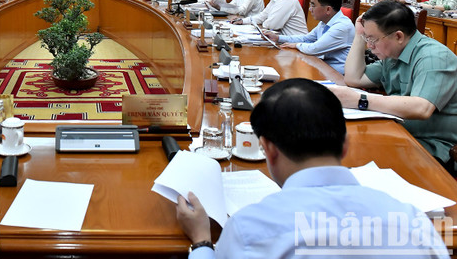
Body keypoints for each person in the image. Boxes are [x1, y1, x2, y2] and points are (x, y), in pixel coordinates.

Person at [176, 78, 448, 258]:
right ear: (345, 145)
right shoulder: (414, 221)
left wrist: (201, 241)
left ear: (268, 150)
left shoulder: (250, 228)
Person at [328, 0, 457, 164]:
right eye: (367, 39)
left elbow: (421, 107)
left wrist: (360, 100)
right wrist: (359, 36)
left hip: (433, 146)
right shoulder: (393, 54)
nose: (369, 46)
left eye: (373, 39)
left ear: (398, 36)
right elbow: (354, 78)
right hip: (399, 132)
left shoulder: (433, 57)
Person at [265, 0, 355, 74]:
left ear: (328, 9)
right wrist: (278, 38)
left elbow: (314, 48)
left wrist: (297, 45)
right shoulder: (324, 22)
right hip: (323, 68)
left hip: (338, 76)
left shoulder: (342, 27)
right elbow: (306, 39)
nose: (310, 9)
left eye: (313, 5)